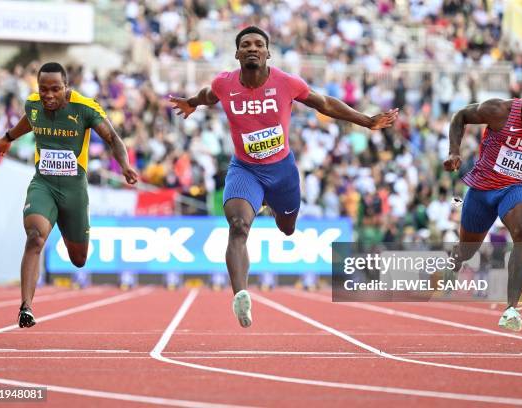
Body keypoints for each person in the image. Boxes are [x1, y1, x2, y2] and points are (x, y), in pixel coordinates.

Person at [170, 26, 398, 328]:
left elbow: (324, 103)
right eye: (246, 44)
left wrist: (366, 120)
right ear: (237, 53)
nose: (253, 48)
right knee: (238, 226)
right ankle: (240, 294)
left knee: (287, 228)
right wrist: (192, 102)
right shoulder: (224, 83)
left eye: (259, 44)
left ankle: (273, 206)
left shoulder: (286, 83)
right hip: (245, 170)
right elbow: (208, 95)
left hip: (282, 172)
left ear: (268, 52)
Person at [0, 62, 138, 328]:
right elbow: (29, 121)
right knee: (35, 238)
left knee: (78, 259)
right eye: (43, 89)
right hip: (43, 184)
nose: (48, 95)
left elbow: (113, 138)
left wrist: (124, 165)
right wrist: (7, 138)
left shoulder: (85, 108)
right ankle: (26, 307)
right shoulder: (33, 105)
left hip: (73, 190)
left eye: (55, 89)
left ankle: (70, 239)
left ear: (66, 88)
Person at [443, 94, 522, 331]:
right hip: (483, 188)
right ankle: (456, 259)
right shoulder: (499, 111)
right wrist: (454, 151)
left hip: (518, 186)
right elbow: (460, 116)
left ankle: (511, 308)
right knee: (468, 250)